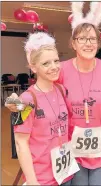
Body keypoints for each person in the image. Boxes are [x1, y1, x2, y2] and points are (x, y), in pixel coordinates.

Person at [6, 2, 101, 185]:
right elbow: (35, 96)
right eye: (82, 39)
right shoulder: (58, 74)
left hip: (96, 149)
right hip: (65, 154)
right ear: (73, 44)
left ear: (98, 42)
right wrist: (17, 103)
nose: (88, 43)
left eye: (92, 39)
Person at [10, 32, 78, 185]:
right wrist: (33, 181)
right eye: (46, 63)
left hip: (65, 174)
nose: (54, 67)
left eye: (56, 61)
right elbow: (21, 144)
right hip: (42, 179)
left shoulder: (62, 90)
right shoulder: (26, 101)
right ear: (33, 67)